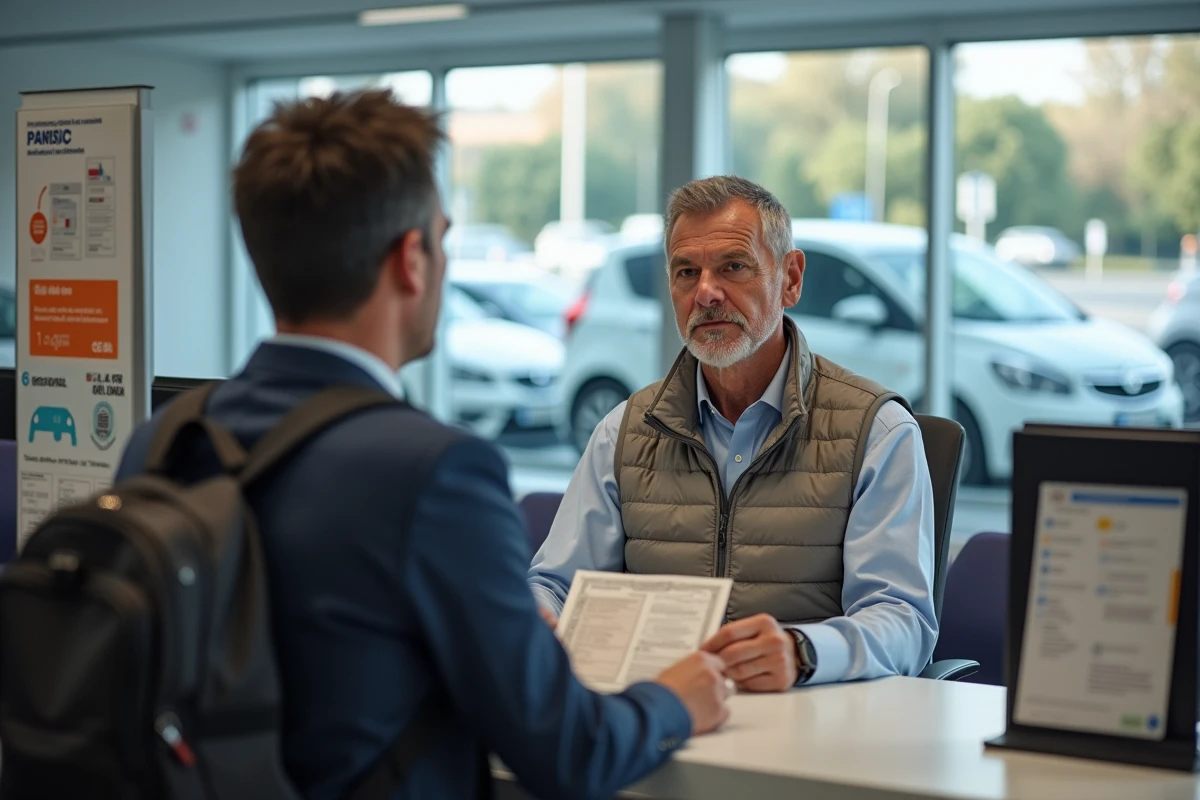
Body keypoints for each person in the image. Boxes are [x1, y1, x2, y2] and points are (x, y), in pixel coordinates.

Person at [115, 90, 731, 800]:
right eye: (441, 238)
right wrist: (674, 701)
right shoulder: (437, 472)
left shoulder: (163, 438)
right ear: (412, 259)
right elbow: (568, 751)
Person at [529, 176, 938, 692]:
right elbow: (556, 583)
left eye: (733, 267)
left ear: (790, 279)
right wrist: (538, 615)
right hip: (656, 719)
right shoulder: (625, 432)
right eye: (685, 272)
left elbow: (903, 621)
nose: (705, 292)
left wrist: (803, 651)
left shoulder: (875, 431)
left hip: (806, 723)